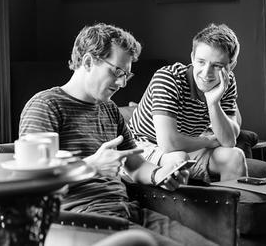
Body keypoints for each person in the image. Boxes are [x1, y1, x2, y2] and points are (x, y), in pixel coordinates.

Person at [19, 23, 216, 246]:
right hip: (81, 221)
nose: (122, 83)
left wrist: (162, 174)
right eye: (117, 72)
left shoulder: (109, 109)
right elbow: (33, 183)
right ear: (88, 62)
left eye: (127, 75)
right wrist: (91, 166)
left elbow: (137, 166)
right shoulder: (45, 106)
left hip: (129, 211)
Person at [128, 24, 247, 183]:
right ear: (192, 57)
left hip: (185, 146)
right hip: (142, 147)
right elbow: (168, 143)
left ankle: (230, 207)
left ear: (231, 66)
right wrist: (209, 140)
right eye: (201, 62)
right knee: (178, 160)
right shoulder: (168, 78)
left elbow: (229, 141)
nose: (206, 73)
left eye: (217, 66)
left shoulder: (226, 82)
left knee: (235, 156)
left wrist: (213, 104)